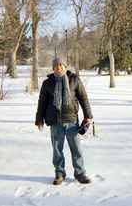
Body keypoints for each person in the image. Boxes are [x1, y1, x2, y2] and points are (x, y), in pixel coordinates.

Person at [35, 57, 93, 185]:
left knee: (76, 149)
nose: (59, 67)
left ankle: (80, 173)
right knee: (57, 150)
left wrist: (87, 115)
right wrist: (39, 119)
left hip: (71, 121)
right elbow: (42, 102)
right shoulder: (47, 83)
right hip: (55, 122)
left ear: (65, 66)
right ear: (53, 68)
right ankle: (59, 173)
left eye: (61, 65)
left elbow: (83, 98)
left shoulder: (74, 79)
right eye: (56, 65)